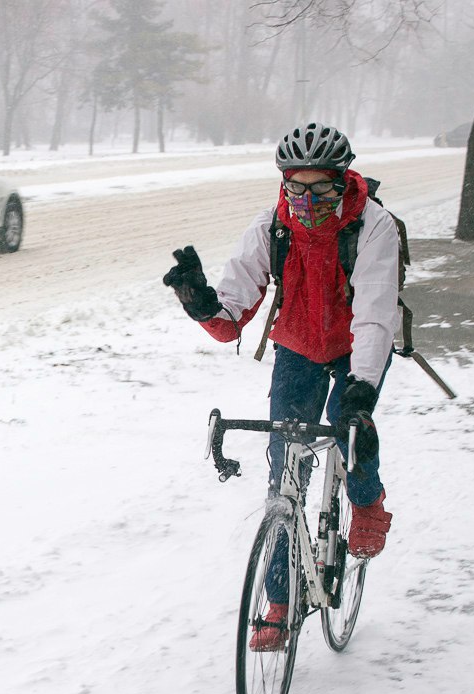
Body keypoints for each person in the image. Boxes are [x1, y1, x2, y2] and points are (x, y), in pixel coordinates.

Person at [163, 122, 400, 651]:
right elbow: (231, 315)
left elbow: (375, 313)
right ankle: (279, 599)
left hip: (357, 345)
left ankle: (367, 500)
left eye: (321, 188)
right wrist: (200, 301)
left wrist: (360, 390)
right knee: (282, 470)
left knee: (350, 431)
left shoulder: (373, 227)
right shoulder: (274, 225)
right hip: (297, 346)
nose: (308, 199)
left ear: (343, 181)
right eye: (297, 187)